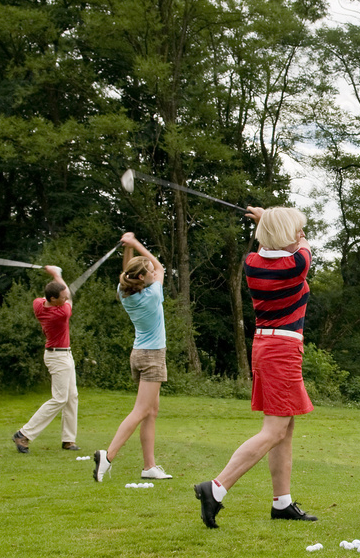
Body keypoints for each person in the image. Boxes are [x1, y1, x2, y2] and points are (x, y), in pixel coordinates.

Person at [194, 206, 318, 529]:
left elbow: (272, 247)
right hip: (282, 350)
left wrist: (268, 221)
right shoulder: (296, 265)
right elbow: (302, 248)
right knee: (274, 431)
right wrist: (272, 221)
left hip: (265, 346)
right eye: (296, 230)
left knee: (284, 428)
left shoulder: (252, 264)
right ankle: (216, 488)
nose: (300, 234)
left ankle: (282, 503)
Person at [93, 232, 172, 482]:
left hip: (138, 355)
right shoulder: (152, 295)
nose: (152, 271)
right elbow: (159, 266)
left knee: (151, 411)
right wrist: (136, 243)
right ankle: (107, 456)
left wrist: (126, 247)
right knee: (141, 410)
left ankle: (149, 466)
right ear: (141, 277)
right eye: (146, 271)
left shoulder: (124, 290)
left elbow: (131, 270)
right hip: (152, 357)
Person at [12, 266, 81, 454]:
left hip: (63, 354)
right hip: (58, 357)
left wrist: (55, 277)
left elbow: (59, 294)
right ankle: (23, 434)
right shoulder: (61, 313)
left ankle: (68, 439)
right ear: (53, 299)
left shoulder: (38, 304)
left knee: (71, 397)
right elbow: (69, 297)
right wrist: (57, 274)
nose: (65, 298)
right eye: (62, 297)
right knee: (59, 399)